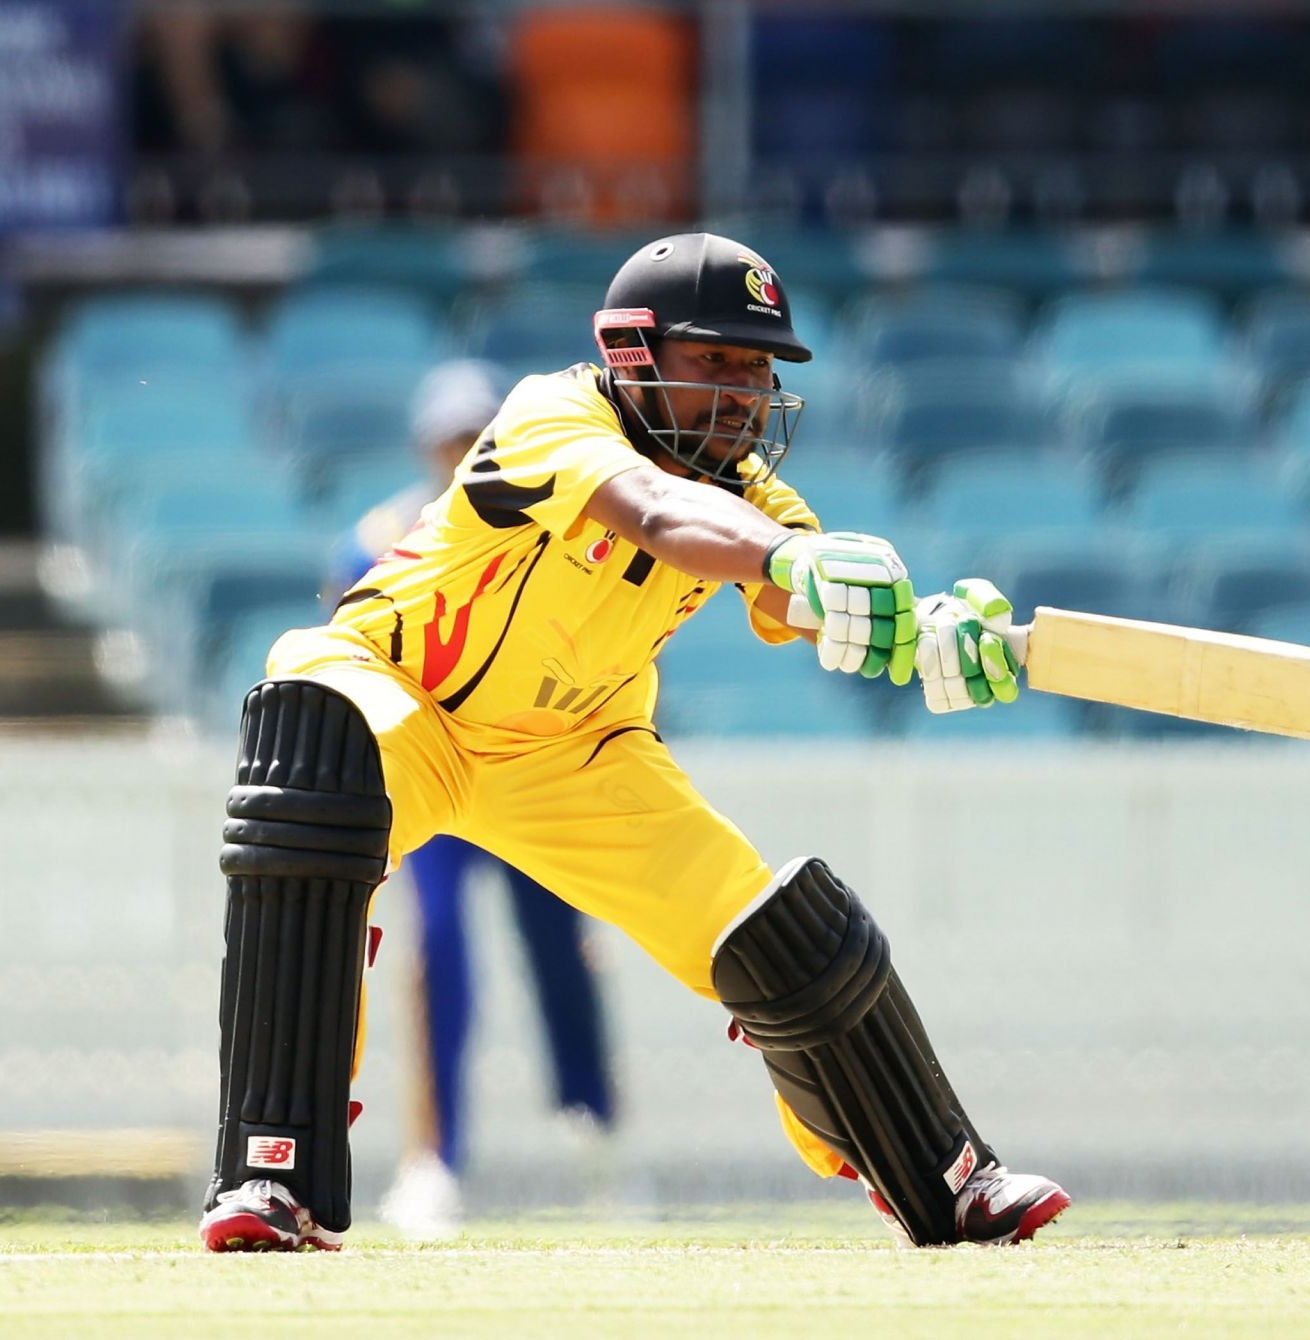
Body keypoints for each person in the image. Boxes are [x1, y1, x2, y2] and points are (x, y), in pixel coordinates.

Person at [199, 232, 1064, 1253]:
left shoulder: (751, 494)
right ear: (633, 355)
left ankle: (947, 1175)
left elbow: (801, 592)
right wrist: (791, 551)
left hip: (577, 753)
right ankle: (272, 1175)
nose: (745, 393)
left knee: (780, 931)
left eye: (759, 368)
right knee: (314, 751)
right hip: (402, 694)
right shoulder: (551, 415)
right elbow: (658, 511)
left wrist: (925, 635)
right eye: (719, 361)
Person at [324, 360, 617, 1239]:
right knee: (439, 956)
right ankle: (434, 1158)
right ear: (429, 445)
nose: (462, 454)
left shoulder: (557, 524)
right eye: (451, 439)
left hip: (533, 767)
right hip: (438, 777)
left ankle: (591, 1122)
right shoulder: (382, 533)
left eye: (475, 437)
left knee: (561, 948)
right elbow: (352, 652)